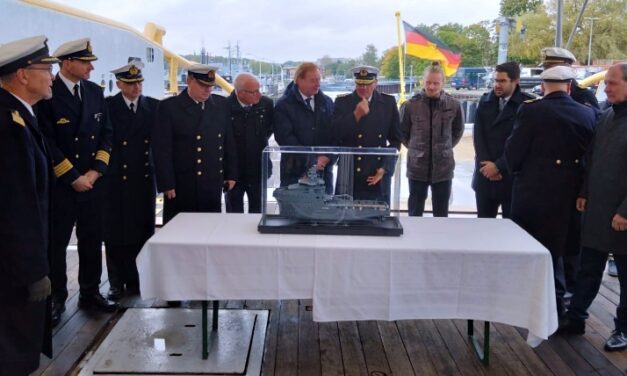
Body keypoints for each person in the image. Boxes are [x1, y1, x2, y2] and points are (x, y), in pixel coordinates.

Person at [504, 65, 596, 319]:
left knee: (533, 248)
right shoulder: (587, 114)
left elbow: (514, 152)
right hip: (569, 195)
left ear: (543, 86)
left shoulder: (532, 111)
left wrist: (516, 172)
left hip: (534, 194)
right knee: (562, 248)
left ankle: (534, 302)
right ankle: (560, 303)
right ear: (569, 87)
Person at [37, 38, 117, 327]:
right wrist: (73, 177)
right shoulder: (47, 94)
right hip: (63, 184)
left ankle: (90, 290)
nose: (92, 67)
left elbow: (106, 134)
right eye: (86, 62)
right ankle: (58, 296)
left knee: (92, 239)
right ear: (67, 63)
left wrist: (95, 172)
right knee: (57, 244)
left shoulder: (95, 92)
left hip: (93, 183)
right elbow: (46, 140)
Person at [558, 63, 627, 351]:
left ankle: (623, 329)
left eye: (612, 83)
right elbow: (592, 158)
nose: (606, 88)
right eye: (606, 83)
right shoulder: (606, 115)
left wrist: (625, 211)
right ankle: (576, 318)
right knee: (588, 269)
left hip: (622, 216)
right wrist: (585, 191)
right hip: (598, 209)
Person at [0, 35, 57, 376]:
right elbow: (15, 207)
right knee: (13, 354)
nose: (51, 75)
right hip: (14, 272)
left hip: (14, 265)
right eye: (46, 68)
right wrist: (34, 271)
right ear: (22, 74)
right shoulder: (9, 125)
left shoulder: (19, 116)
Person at [540, 46, 603, 287]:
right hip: (546, 182)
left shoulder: (584, 99)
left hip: (573, 181)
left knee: (570, 240)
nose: (549, 71)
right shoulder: (542, 97)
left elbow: (593, 141)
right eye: (547, 67)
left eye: (553, 66)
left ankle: (570, 286)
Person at [152, 64, 237, 224]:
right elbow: (162, 149)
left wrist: (231, 173)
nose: (207, 90)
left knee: (209, 229)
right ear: (189, 80)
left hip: (211, 180)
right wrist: (166, 183)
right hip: (182, 182)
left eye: (210, 86)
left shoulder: (220, 105)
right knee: (181, 230)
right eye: (203, 85)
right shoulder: (169, 107)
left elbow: (228, 141)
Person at [103, 60, 158, 300]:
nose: (136, 87)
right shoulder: (107, 107)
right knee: (115, 233)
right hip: (115, 179)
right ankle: (116, 281)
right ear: (119, 84)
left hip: (143, 178)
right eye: (130, 83)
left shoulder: (153, 107)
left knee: (143, 231)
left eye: (139, 82)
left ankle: (139, 278)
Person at [401, 61, 464, 217]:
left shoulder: (454, 105)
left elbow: (457, 132)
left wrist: (443, 148)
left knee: (441, 213)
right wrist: (417, 148)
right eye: (428, 82)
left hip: (443, 168)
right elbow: (402, 133)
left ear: (443, 83)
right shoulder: (410, 106)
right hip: (417, 168)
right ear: (423, 81)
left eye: (436, 83)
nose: (431, 87)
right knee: (415, 212)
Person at [472, 61, 534, 218]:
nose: (497, 85)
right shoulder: (485, 101)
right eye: (495, 80)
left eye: (502, 81)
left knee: (511, 231)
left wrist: (499, 166)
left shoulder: (527, 105)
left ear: (515, 81)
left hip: (511, 178)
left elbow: (522, 144)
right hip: (485, 175)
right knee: (484, 229)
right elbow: (479, 138)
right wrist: (488, 167)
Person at [332, 65, 402, 202]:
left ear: (376, 83)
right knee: (344, 218)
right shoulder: (342, 102)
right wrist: (355, 115)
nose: (363, 88)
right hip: (349, 172)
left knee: (377, 218)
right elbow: (335, 135)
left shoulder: (387, 103)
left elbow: (396, 140)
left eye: (368, 84)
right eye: (359, 84)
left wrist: (384, 168)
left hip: (376, 173)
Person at [274, 62, 335, 193]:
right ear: (299, 80)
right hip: (295, 172)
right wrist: (312, 160)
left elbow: (336, 133)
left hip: (323, 171)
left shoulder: (327, 102)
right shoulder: (283, 105)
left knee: (325, 211)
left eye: (319, 79)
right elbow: (285, 138)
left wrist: (328, 156)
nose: (318, 84)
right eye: (313, 80)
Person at [225, 72, 273, 213]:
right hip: (234, 171)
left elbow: (269, 129)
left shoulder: (266, 104)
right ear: (240, 93)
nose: (259, 94)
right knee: (233, 211)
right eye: (254, 92)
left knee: (258, 211)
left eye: (259, 90)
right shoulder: (225, 107)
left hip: (258, 167)